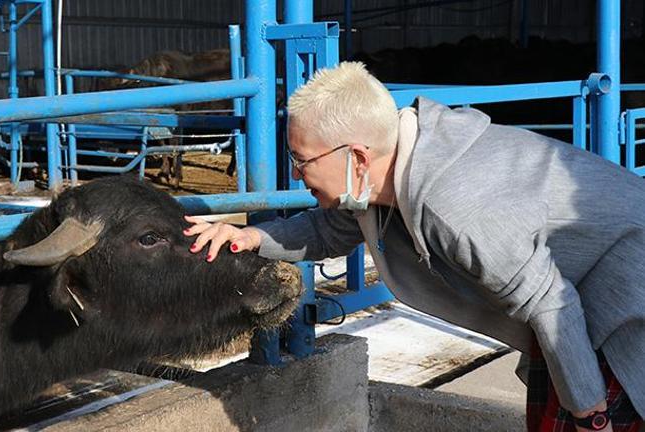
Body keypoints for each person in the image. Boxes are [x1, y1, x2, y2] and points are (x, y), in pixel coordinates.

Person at [184, 62, 644, 432]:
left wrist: (590, 412)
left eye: (300, 161)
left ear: (358, 158)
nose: (296, 175)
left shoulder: (457, 207)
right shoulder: (396, 169)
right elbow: (329, 231)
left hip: (620, 307)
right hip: (577, 312)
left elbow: (552, 305)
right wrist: (249, 238)